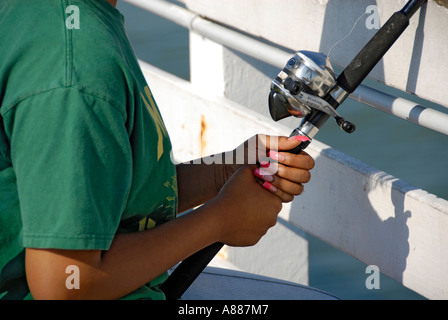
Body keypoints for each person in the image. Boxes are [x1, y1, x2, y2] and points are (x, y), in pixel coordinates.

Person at [0, 0, 314, 300]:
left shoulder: (50, 16)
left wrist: (225, 170)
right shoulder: (77, 73)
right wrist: (220, 220)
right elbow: (64, 283)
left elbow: (107, 202)